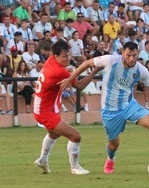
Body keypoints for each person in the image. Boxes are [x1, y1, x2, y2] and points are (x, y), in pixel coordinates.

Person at [59, 41, 149, 174]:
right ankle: (110, 159)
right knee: (113, 144)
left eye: (134, 55)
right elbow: (87, 63)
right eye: (128, 55)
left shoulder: (141, 70)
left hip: (129, 105)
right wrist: (70, 79)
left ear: (138, 54)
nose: (131, 59)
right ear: (122, 53)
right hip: (110, 111)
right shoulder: (110, 60)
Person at [33, 39, 101, 175]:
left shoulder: (50, 61)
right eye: (64, 56)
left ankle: (42, 160)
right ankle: (75, 167)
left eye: (68, 54)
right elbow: (80, 86)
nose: (68, 58)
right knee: (75, 136)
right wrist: (94, 71)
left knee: (54, 134)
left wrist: (69, 72)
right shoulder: (59, 72)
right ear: (56, 56)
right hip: (46, 112)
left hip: (43, 108)